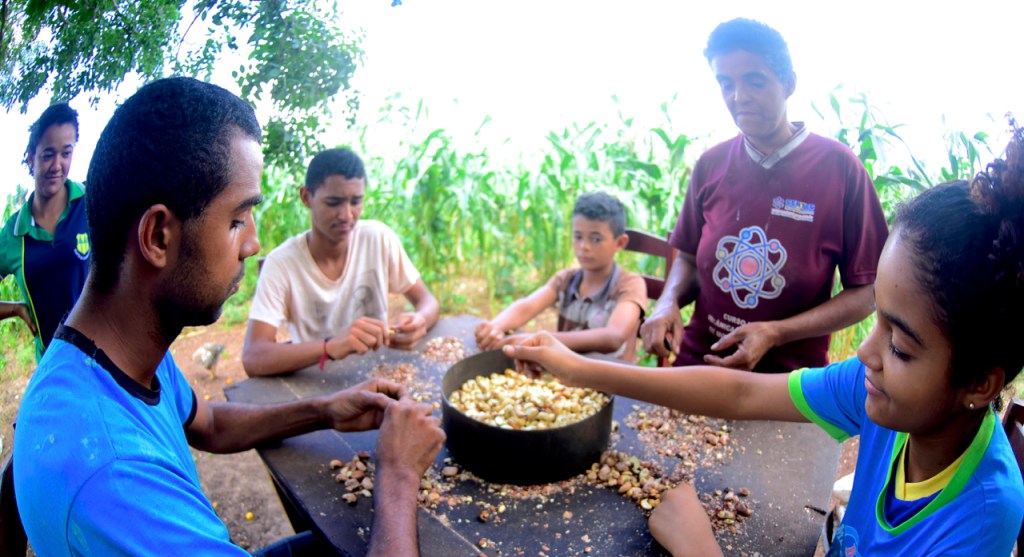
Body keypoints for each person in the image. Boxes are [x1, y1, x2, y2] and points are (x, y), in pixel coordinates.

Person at [504, 125, 1024, 557]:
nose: (865, 354)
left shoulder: (977, 523)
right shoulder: (886, 391)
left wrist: (694, 543)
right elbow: (741, 391)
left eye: (899, 345)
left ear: (979, 383)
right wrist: (579, 368)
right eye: (877, 321)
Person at [13, 77, 446, 557]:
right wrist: (396, 473)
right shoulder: (115, 482)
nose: (254, 243)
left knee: (360, 546)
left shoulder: (103, 355)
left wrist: (324, 409)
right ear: (159, 236)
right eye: (239, 218)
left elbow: (211, 423)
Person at [640, 18, 889, 373]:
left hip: (787, 379)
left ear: (789, 83)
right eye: (726, 84)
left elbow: (868, 293)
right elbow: (689, 259)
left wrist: (775, 333)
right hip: (699, 362)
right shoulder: (711, 165)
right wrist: (667, 302)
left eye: (754, 81)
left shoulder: (841, 170)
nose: (739, 97)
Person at [242, 147, 440, 376]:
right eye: (333, 203)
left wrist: (420, 320)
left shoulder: (378, 239)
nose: (347, 215)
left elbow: (428, 302)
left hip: (380, 372)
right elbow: (254, 357)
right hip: (317, 383)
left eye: (356, 202)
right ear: (306, 197)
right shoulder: (282, 264)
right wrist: (330, 347)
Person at [475, 191, 647, 361]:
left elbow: (613, 337)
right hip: (565, 374)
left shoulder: (629, 284)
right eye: (578, 237)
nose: (584, 246)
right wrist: (496, 326)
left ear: (620, 243)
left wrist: (541, 339)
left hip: (610, 376)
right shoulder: (566, 280)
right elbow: (526, 306)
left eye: (595, 239)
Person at [0, 102, 89, 360]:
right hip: (54, 366)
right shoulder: (14, 234)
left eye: (66, 153)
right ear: (31, 157)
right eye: (48, 155)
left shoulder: (89, 204)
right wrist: (16, 308)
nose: (57, 165)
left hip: (103, 358)